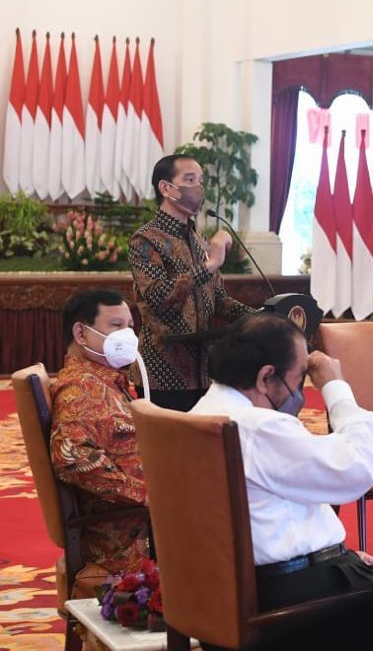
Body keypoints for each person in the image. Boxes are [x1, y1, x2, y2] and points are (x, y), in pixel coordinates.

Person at [190, 312, 373, 613]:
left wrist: (338, 556)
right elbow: (357, 471)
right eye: (298, 378)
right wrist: (336, 388)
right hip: (285, 590)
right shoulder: (257, 427)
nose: (299, 394)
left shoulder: (199, 412)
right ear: (265, 377)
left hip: (220, 587)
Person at [128, 154, 256, 412]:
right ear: (166, 188)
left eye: (201, 180)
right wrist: (210, 265)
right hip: (163, 372)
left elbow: (219, 300)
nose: (198, 187)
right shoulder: (145, 240)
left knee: (203, 448)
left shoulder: (199, 240)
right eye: (189, 179)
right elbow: (159, 296)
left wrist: (262, 317)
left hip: (206, 369)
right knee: (171, 450)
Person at [49, 289, 148, 575]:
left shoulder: (105, 381)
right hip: (129, 534)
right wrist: (148, 495)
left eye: (130, 326)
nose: (128, 335)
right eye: (116, 326)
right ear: (81, 334)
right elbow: (71, 458)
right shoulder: (80, 389)